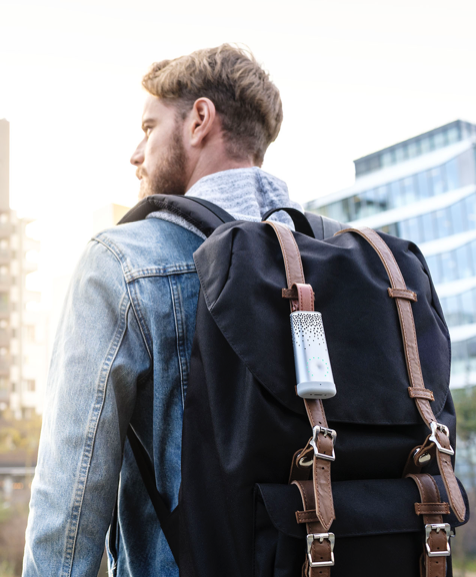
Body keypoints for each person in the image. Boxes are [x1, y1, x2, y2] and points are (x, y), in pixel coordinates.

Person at [22, 44, 301, 576]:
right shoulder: (320, 261)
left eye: (148, 127)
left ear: (199, 120)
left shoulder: (123, 260)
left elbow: (71, 499)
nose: (135, 153)